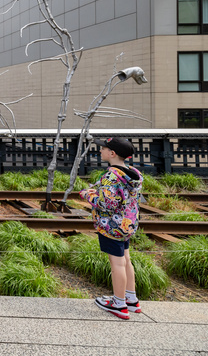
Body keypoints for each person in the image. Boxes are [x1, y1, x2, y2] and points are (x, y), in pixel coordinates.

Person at [80, 137, 143, 320]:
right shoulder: (132, 173)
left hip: (112, 226)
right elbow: (121, 197)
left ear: (112, 153)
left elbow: (107, 204)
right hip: (127, 224)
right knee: (126, 260)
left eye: (104, 149)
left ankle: (118, 304)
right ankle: (131, 299)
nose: (101, 151)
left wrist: (87, 196)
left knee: (117, 264)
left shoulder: (111, 176)